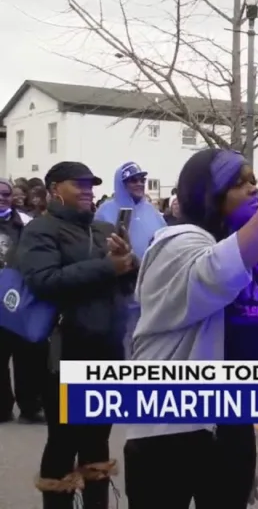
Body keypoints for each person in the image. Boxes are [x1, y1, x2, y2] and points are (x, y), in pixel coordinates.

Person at [123, 151, 258, 509]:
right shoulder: (177, 242)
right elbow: (219, 273)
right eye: (239, 183)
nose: (254, 189)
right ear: (208, 193)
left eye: (255, 181)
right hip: (170, 423)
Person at [18, 162, 137, 509]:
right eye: (79, 184)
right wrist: (107, 266)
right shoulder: (41, 230)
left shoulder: (102, 229)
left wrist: (128, 261)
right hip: (66, 350)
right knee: (63, 440)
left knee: (98, 441)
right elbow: (44, 280)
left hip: (108, 348)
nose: (88, 190)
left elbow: (128, 278)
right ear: (55, 188)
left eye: (91, 185)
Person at [95, 162, 167, 354]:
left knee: (148, 344)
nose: (139, 184)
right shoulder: (105, 211)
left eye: (142, 179)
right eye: (132, 180)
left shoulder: (152, 211)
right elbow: (98, 247)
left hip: (151, 290)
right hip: (120, 290)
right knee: (124, 343)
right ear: (121, 183)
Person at [0, 177, 44, 424]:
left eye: (6, 194)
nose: (2, 198)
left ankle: (30, 405)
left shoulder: (28, 223)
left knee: (27, 354)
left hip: (20, 297)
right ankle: (2, 407)